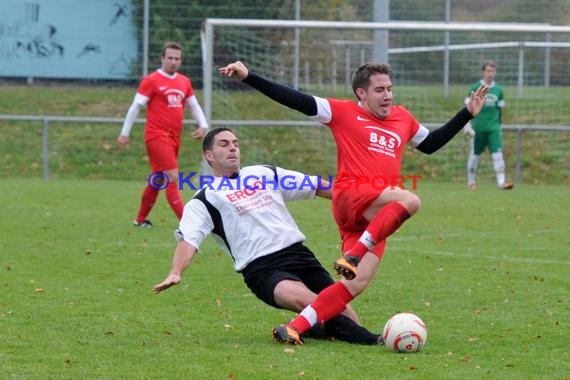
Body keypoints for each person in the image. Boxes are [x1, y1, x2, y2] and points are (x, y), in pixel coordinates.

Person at [219, 60, 488, 344]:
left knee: (354, 284)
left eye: (390, 89)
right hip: (351, 195)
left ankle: (295, 327)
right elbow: (294, 99)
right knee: (410, 199)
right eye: (380, 90)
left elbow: (431, 144)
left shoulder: (403, 118)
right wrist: (250, 77)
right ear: (361, 93)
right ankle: (354, 255)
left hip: (375, 218)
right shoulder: (342, 111)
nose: (387, 95)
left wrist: (467, 113)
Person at [152, 127, 383, 345]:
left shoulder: (264, 173)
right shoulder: (204, 199)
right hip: (263, 269)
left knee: (342, 311)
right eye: (224, 144)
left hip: (300, 255)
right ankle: (375, 341)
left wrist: (363, 203)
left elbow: (316, 185)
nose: (233, 148)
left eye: (235, 143)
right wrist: (175, 272)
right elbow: (189, 240)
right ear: (209, 156)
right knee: (312, 302)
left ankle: (310, 327)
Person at [117, 41, 209, 227]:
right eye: (170, 58)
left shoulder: (184, 81)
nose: (173, 61)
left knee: (157, 179)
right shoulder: (151, 80)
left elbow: (193, 104)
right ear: (162, 58)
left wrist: (203, 124)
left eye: (177, 58)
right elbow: (136, 107)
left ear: (181, 61)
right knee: (173, 177)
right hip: (157, 135)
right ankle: (187, 223)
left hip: (174, 137)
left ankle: (139, 220)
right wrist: (125, 133)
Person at [464, 60, 513, 190]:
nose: (490, 74)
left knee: (498, 155)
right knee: (474, 155)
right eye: (487, 71)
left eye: (492, 71)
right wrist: (467, 125)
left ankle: (501, 182)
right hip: (477, 128)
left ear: (495, 72)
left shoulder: (498, 90)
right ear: (483, 72)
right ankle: (471, 182)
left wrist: (499, 125)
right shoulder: (475, 88)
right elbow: (468, 107)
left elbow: (500, 110)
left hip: (493, 129)